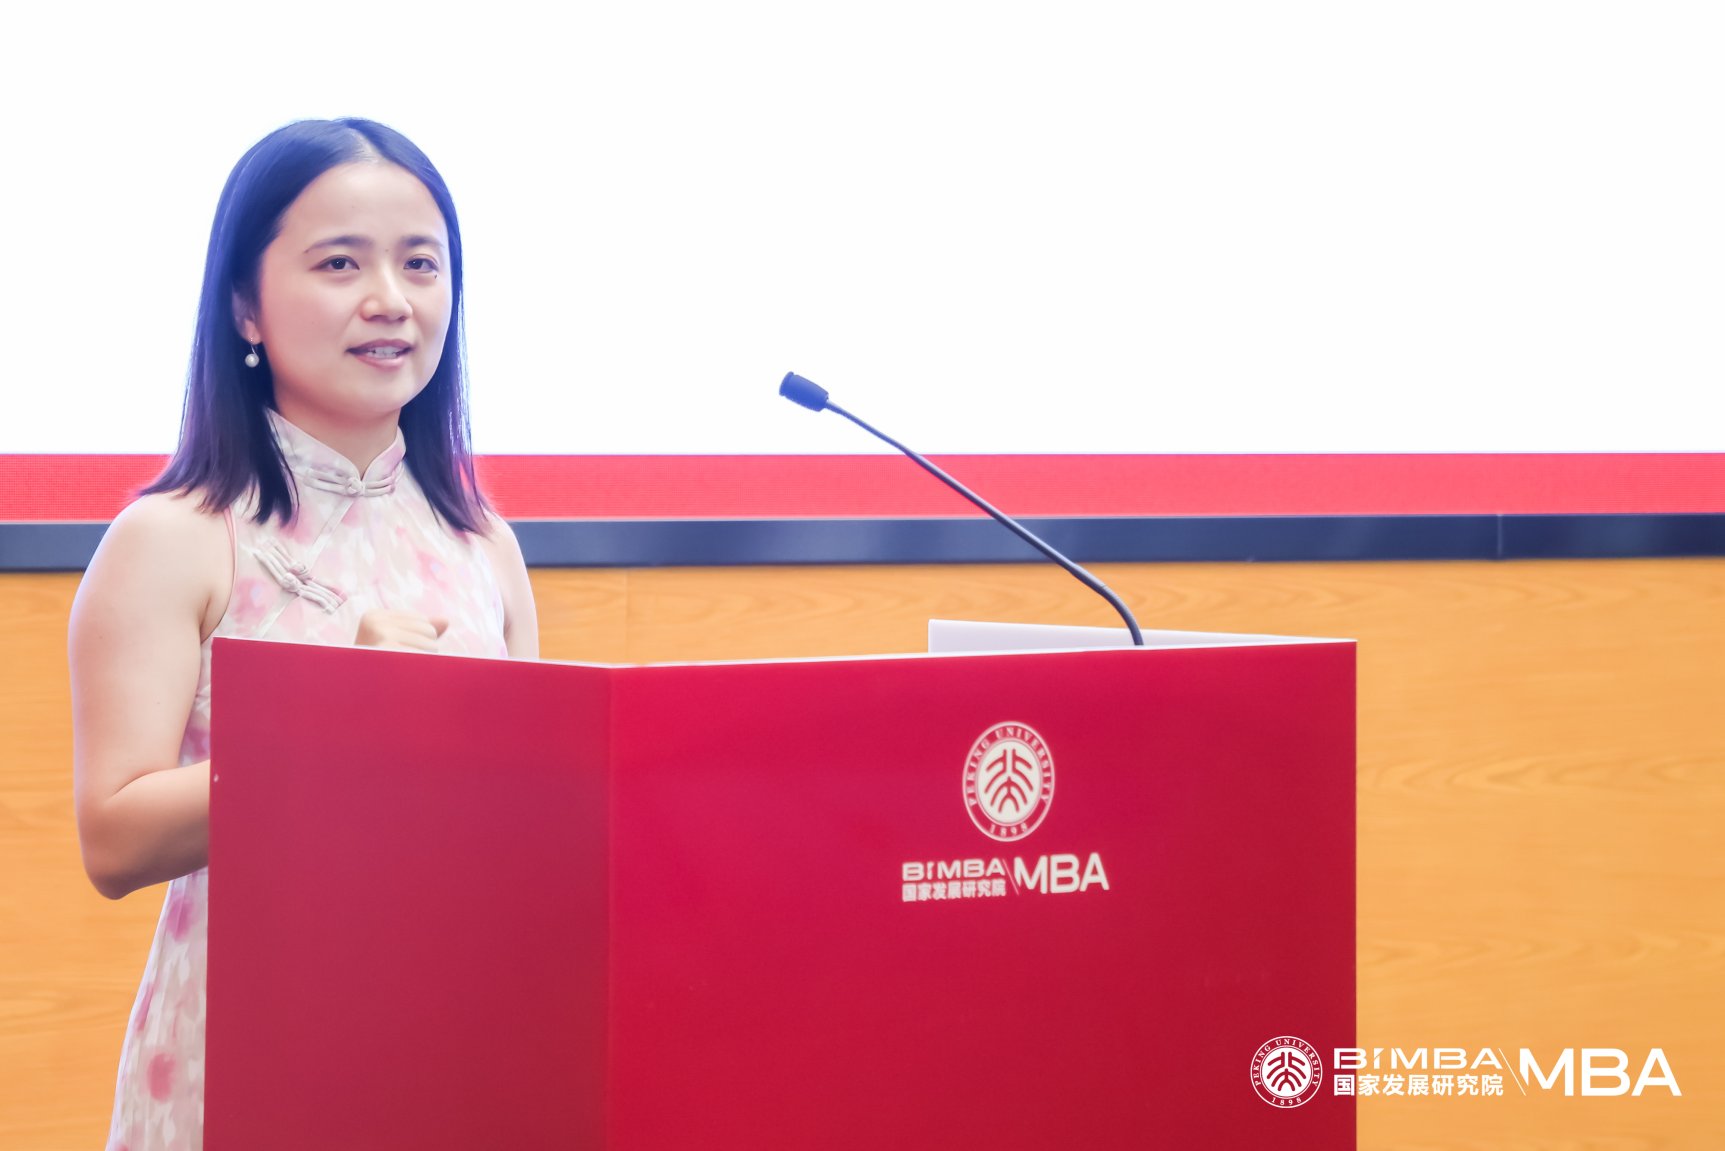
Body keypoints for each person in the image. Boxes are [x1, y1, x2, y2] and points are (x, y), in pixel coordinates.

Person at [68, 118, 538, 1150]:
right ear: (245, 304)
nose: (391, 298)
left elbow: (524, 820)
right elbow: (114, 835)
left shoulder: (481, 542)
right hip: (249, 1053)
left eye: (422, 264)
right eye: (340, 263)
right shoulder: (176, 536)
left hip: (452, 1045)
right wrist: (333, 723)